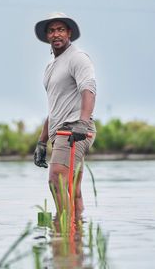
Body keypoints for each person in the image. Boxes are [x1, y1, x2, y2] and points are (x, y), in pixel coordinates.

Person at [33, 12, 97, 217]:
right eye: (51, 31)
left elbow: (89, 88)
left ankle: (62, 237)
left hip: (73, 130)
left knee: (56, 181)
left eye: (60, 29)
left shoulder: (77, 58)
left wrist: (83, 123)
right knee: (73, 190)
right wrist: (42, 142)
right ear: (47, 36)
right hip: (60, 131)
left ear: (69, 33)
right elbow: (54, 108)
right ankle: (77, 238)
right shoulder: (51, 65)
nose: (56, 34)